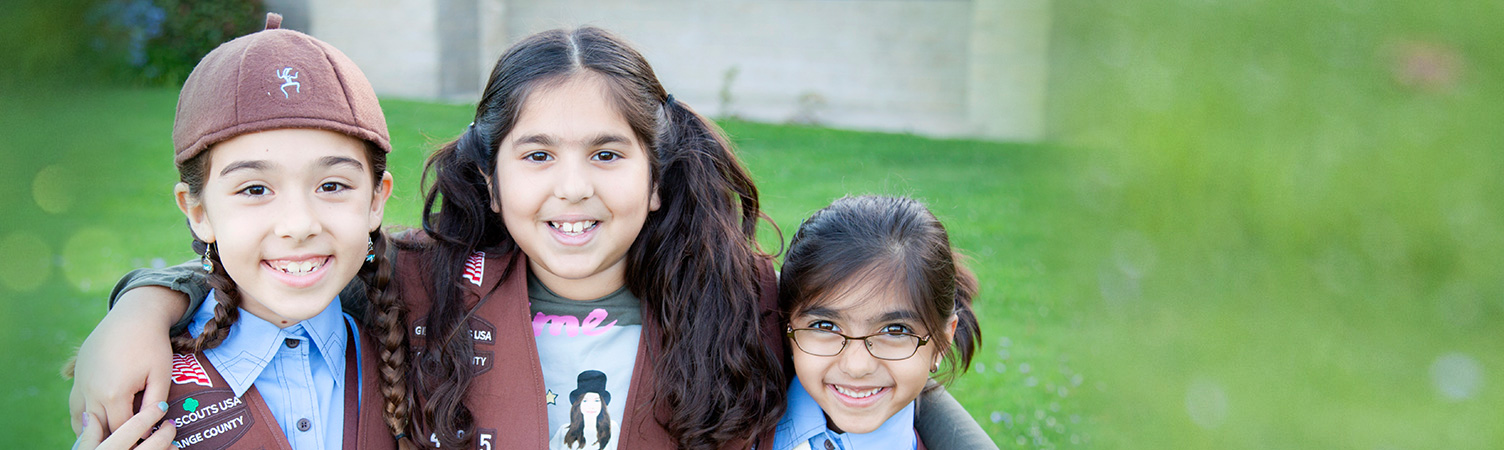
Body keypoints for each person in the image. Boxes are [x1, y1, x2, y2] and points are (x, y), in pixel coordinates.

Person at [74, 27, 995, 450]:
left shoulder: (737, 295)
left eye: (606, 153)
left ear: (654, 166)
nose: (572, 190)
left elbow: (872, 358)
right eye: (537, 153)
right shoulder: (425, 283)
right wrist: (142, 303)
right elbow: (283, 268)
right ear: (492, 170)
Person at [65, 13, 410, 450]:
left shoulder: (417, 339)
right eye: (255, 189)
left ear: (377, 199)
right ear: (197, 210)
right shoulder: (138, 383)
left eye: (331, 185)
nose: (299, 225)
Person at [771, 196, 996, 450]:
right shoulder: (730, 428)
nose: (857, 366)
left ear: (943, 341)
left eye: (895, 330)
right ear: (788, 327)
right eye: (825, 326)